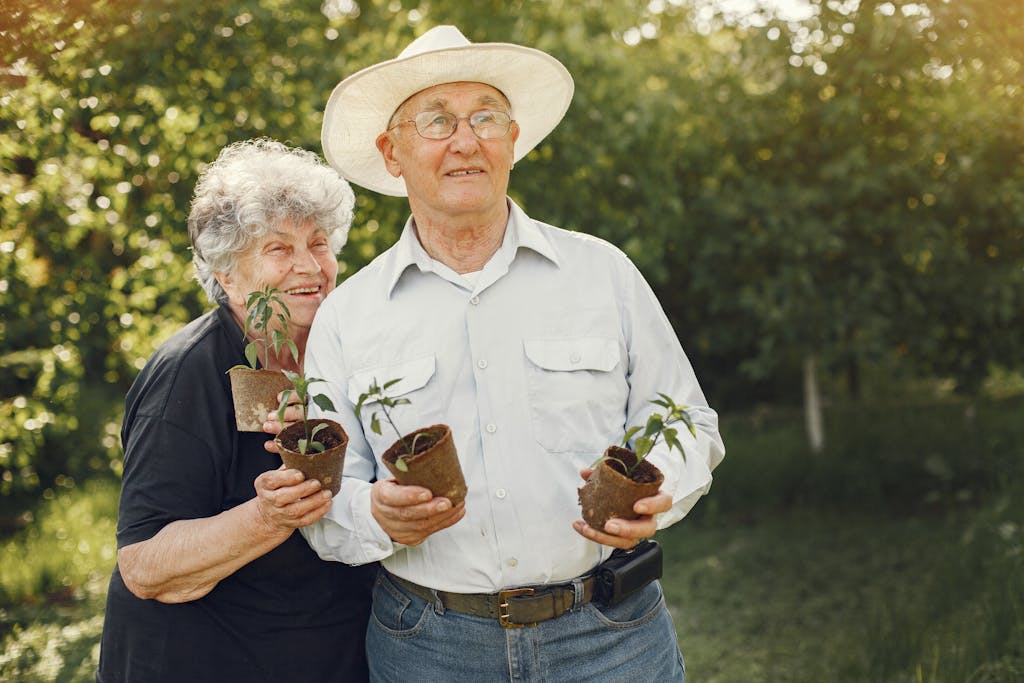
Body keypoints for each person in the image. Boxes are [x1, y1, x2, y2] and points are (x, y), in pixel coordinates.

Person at [302, 26, 726, 681]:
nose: (466, 140)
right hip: (430, 646)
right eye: (437, 120)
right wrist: (372, 512)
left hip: (613, 636)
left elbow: (688, 421)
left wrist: (656, 494)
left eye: (486, 117)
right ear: (392, 152)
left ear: (513, 138)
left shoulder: (602, 272)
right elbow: (325, 489)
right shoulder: (348, 316)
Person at [96, 138, 378, 682]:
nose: (309, 266)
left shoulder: (342, 357)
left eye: (319, 243)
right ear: (227, 274)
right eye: (278, 249)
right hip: (201, 661)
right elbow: (145, 565)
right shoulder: (191, 373)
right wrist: (267, 517)